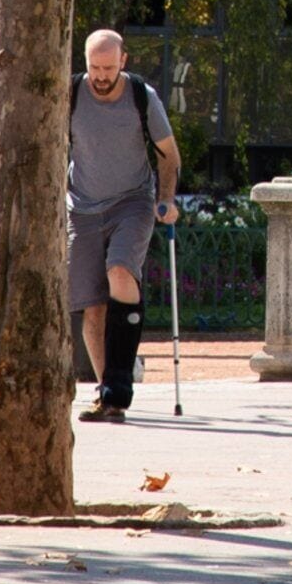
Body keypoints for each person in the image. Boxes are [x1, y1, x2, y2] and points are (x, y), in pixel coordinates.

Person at [66, 29, 178, 423]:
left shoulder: (141, 97)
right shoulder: (72, 94)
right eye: (94, 67)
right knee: (92, 308)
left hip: (133, 202)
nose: (100, 76)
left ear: (123, 62)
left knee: (120, 271)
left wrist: (166, 198)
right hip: (82, 207)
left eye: (108, 68)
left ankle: (119, 386)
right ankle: (106, 395)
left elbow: (169, 154)